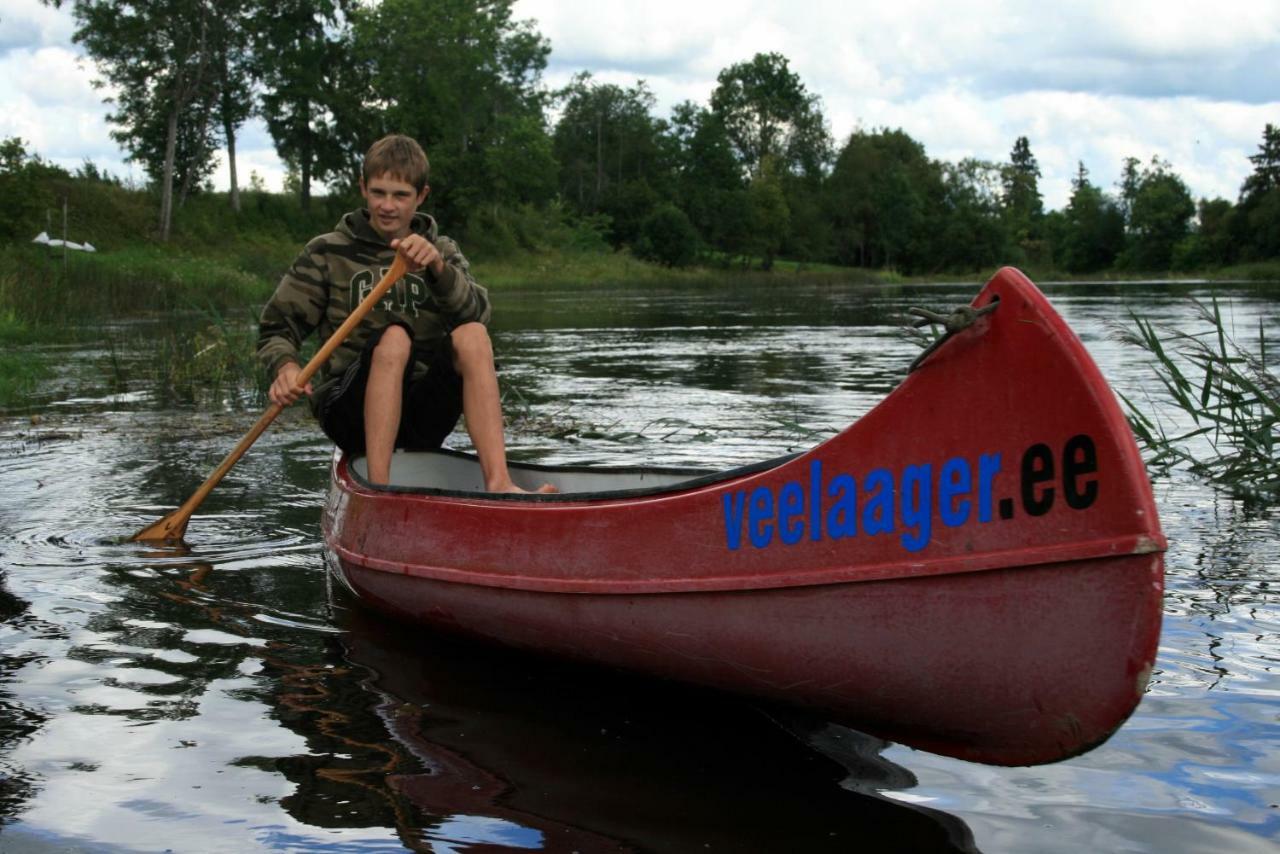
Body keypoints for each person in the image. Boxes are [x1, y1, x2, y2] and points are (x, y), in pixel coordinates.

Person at [256, 134, 550, 493]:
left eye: (400, 195)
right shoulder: (326, 252)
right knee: (394, 338)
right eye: (379, 192)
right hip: (351, 415)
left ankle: (500, 482)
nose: (388, 206)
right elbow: (277, 327)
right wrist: (286, 368)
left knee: (471, 334)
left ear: (421, 196)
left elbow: (477, 315)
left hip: (422, 417)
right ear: (363, 188)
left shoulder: (441, 251)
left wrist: (439, 270)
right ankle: (380, 491)